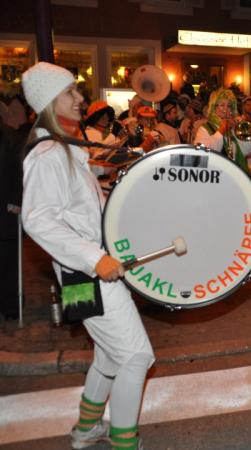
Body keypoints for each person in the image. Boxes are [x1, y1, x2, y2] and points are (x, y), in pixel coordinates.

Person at [20, 62, 153, 449]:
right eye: (70, 93)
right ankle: (124, 441)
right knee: (136, 356)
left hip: (77, 275)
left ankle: (85, 430)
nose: (80, 98)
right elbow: (38, 220)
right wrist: (95, 258)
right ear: (49, 101)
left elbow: (78, 210)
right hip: (88, 273)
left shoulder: (65, 149)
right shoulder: (48, 154)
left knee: (110, 356)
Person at [194, 88, 251, 175]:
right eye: (222, 105)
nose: (226, 109)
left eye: (229, 106)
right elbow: (202, 153)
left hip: (233, 175)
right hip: (216, 175)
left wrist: (240, 130)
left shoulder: (232, 129)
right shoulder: (204, 129)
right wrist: (221, 131)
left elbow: (248, 149)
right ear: (213, 108)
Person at [0, 118, 23, 320]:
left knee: (8, 257)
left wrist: (17, 199)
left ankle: (11, 304)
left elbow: (20, 171)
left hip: (5, 206)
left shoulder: (10, 136)